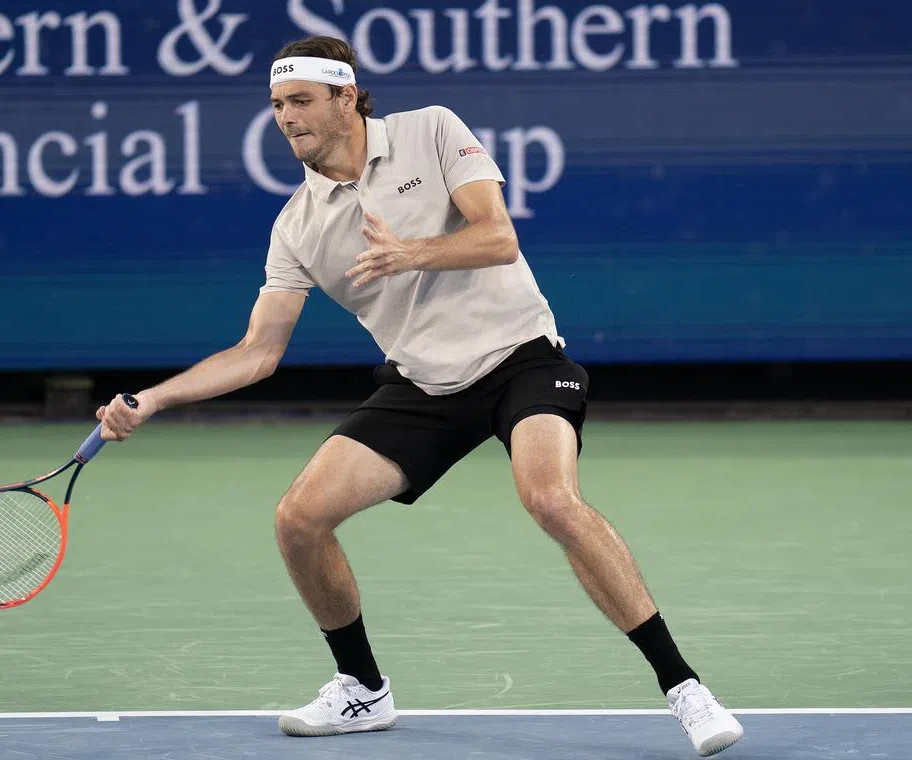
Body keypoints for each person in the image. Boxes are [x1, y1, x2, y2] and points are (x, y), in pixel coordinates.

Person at [97, 34, 744, 758]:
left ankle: (685, 688)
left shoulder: (432, 130)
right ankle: (361, 691)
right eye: (278, 105)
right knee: (299, 519)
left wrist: (410, 253)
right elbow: (258, 352)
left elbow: (497, 237)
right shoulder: (298, 223)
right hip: (424, 385)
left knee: (550, 499)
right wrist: (152, 399)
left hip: (520, 359)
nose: (287, 118)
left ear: (348, 97)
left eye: (303, 101)